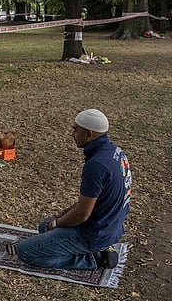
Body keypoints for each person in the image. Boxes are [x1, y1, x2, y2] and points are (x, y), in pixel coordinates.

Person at [16, 109, 132, 270]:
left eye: (76, 130)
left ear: (89, 134)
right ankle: (101, 249)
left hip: (95, 233)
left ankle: (94, 260)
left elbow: (82, 215)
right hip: (113, 226)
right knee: (44, 226)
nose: (73, 133)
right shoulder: (114, 152)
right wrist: (61, 216)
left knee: (25, 251)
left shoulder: (96, 165)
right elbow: (93, 200)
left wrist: (57, 224)